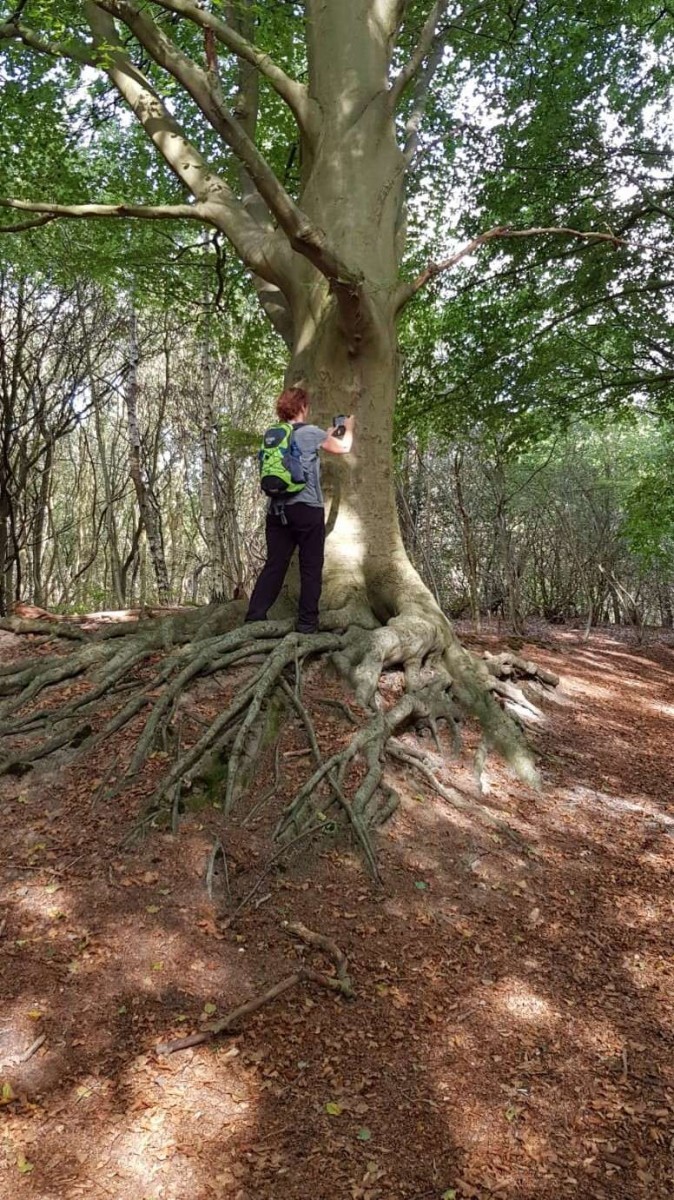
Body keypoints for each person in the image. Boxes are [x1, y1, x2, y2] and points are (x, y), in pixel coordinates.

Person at [245, 386, 354, 633]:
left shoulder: (272, 434)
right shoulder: (310, 433)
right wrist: (348, 425)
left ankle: (254, 618)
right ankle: (307, 624)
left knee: (275, 564)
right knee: (311, 566)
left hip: (276, 511)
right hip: (306, 509)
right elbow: (342, 446)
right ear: (303, 407)